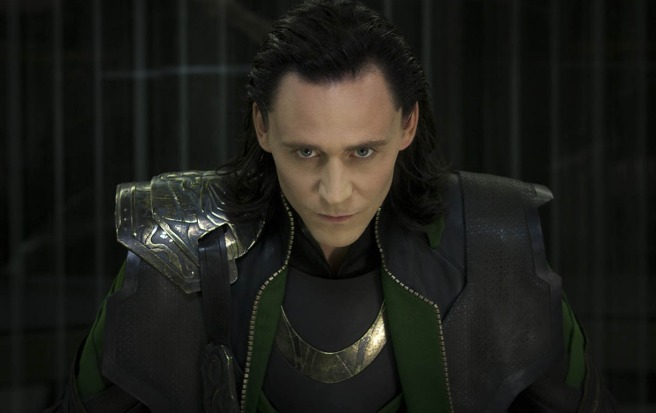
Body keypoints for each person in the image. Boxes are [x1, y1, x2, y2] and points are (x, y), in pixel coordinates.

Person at [49, 0, 617, 412]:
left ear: (408, 125)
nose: (336, 190)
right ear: (263, 128)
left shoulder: (496, 246)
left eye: (362, 151)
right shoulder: (178, 245)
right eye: (306, 152)